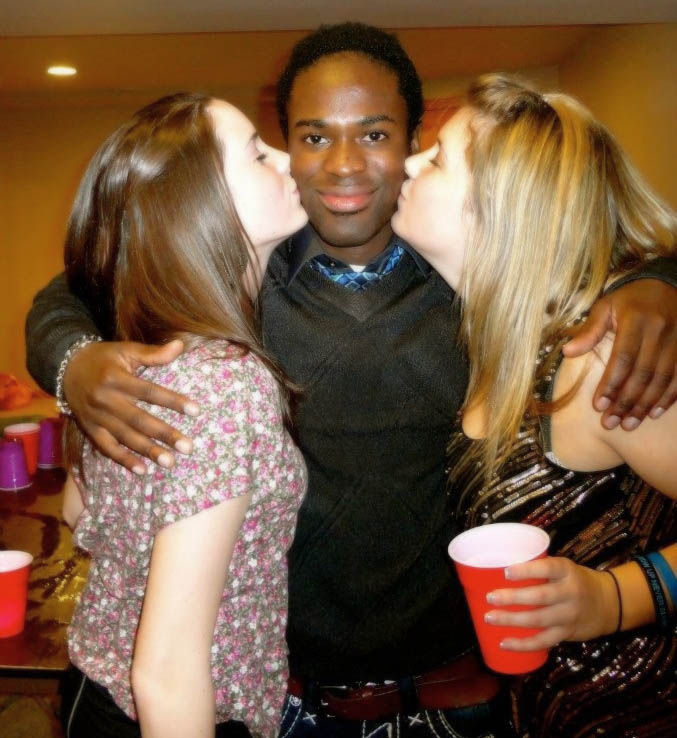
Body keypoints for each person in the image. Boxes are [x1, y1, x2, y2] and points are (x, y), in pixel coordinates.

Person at [25, 24, 677, 738]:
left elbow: (585, 232)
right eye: (311, 137)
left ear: (409, 143)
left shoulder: (484, 289)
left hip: (473, 697)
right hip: (283, 703)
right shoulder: (235, 276)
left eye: (375, 135)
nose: (342, 164)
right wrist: (73, 361)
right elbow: (80, 286)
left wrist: (656, 281)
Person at [392, 73, 677, 737]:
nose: (408, 162)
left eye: (437, 159)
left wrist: (613, 597)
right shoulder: (499, 343)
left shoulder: (597, 358)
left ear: (499, 210)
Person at [57, 92, 308, 738]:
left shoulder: (134, 358)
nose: (287, 157)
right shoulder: (226, 383)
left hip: (95, 694)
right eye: (257, 152)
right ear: (200, 207)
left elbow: (77, 511)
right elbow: (166, 671)